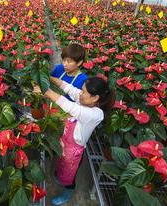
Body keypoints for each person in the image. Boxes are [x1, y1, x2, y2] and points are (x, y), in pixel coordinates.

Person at [34, 76, 115, 206]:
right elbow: (69, 88)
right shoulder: (85, 100)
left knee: (69, 176)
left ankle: (68, 192)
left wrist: (46, 91)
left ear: (95, 98)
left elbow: (71, 107)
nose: (80, 93)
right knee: (61, 163)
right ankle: (60, 174)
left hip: (74, 151)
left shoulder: (95, 114)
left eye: (83, 92)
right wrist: (47, 77)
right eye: (82, 90)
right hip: (66, 142)